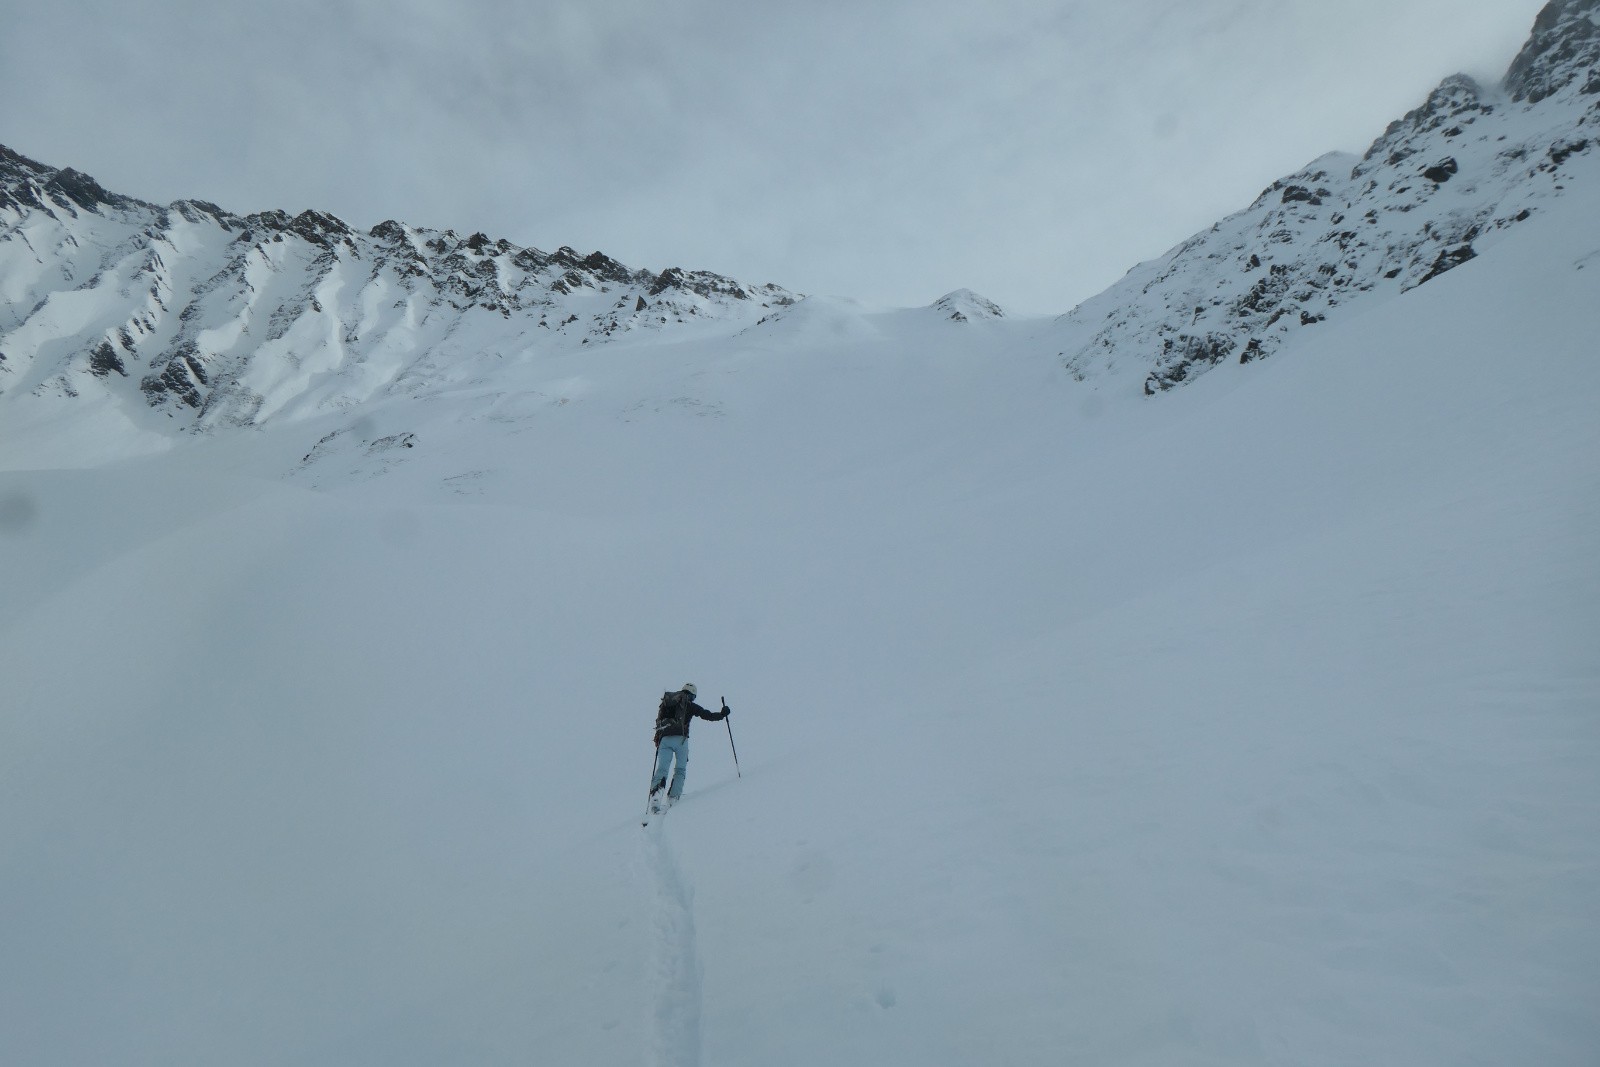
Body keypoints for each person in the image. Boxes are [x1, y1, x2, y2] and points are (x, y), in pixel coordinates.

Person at [649, 683, 729, 811]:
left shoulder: (669, 702)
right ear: (692, 695)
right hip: (681, 740)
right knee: (680, 769)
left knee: (662, 769)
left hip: (664, 740)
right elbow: (706, 715)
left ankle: (655, 797)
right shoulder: (689, 705)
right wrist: (722, 714)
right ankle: (673, 798)